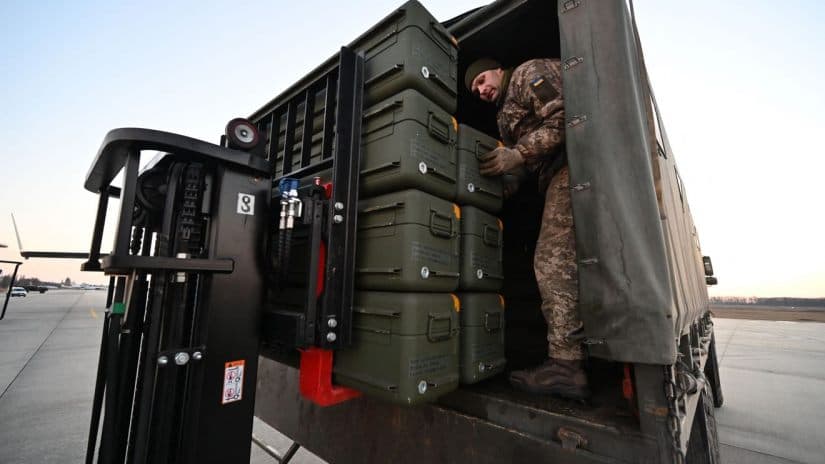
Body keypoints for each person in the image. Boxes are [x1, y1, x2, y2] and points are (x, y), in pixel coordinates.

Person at [465, 57, 589, 400]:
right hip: (552, 174)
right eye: (476, 89)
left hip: (575, 162)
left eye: (483, 79)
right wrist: (506, 182)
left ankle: (566, 367)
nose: (481, 89)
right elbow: (521, 166)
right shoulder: (503, 118)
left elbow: (567, 118)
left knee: (551, 259)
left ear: (498, 70)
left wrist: (517, 154)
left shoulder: (526, 74)